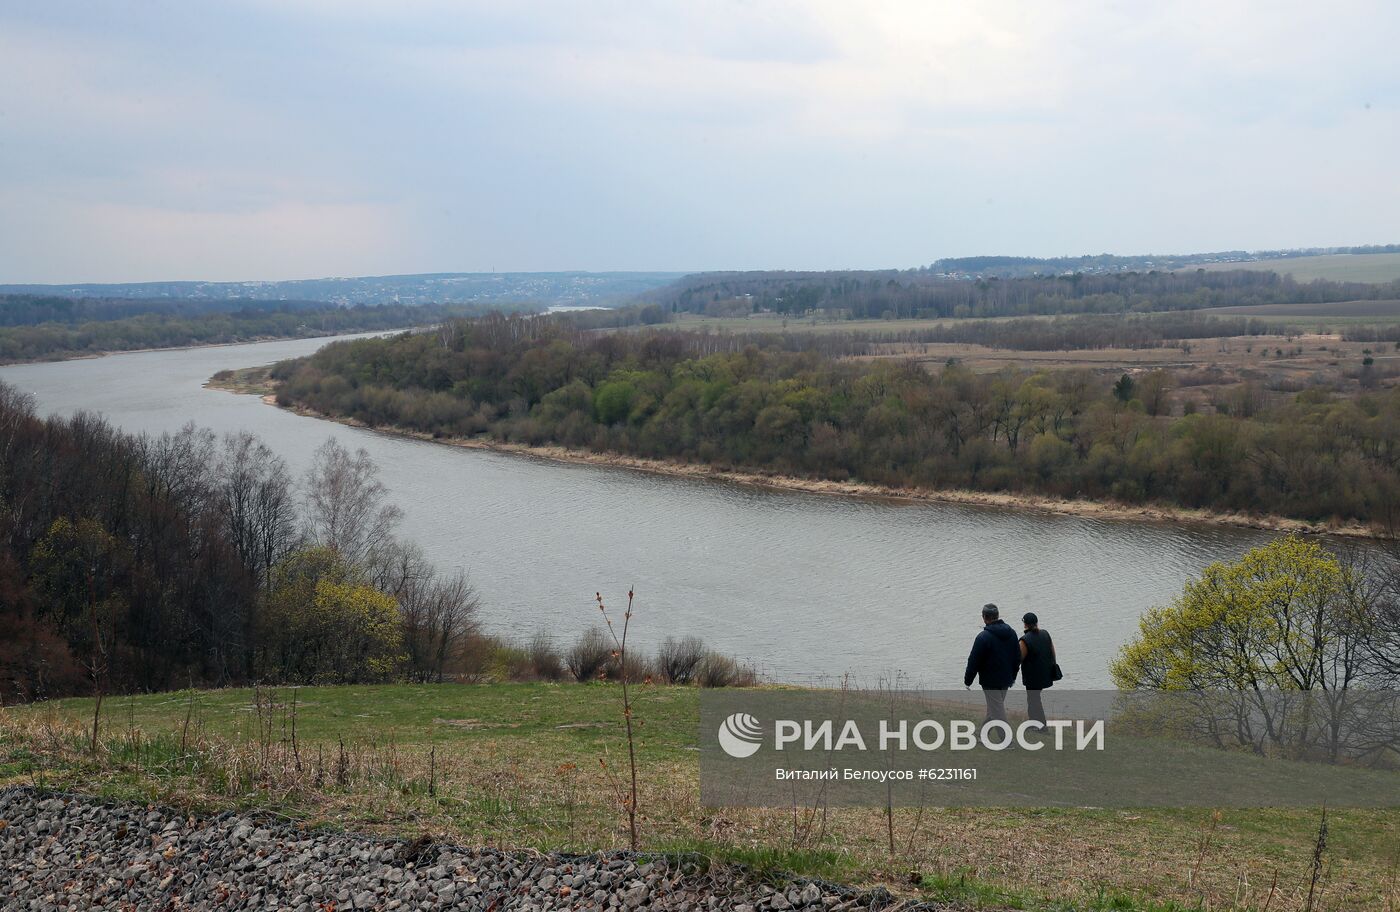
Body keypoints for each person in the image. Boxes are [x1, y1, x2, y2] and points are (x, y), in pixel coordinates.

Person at [963, 603, 1021, 723]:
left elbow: (973, 661)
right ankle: (981, 735)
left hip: (990, 682)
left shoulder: (983, 637)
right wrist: (1013, 677)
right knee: (995, 709)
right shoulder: (1013, 634)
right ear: (998, 615)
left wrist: (968, 681)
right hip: (1006, 679)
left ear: (984, 617)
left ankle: (1007, 741)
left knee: (997, 712)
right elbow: (1017, 658)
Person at [1019, 611, 1057, 725]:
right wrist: (1052, 667)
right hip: (1045, 674)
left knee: (1033, 700)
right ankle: (1035, 723)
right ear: (1036, 622)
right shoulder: (1045, 634)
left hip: (1032, 677)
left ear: (1025, 624)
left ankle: (1040, 725)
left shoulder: (1024, 640)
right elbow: (1053, 652)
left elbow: (1019, 658)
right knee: (1034, 699)